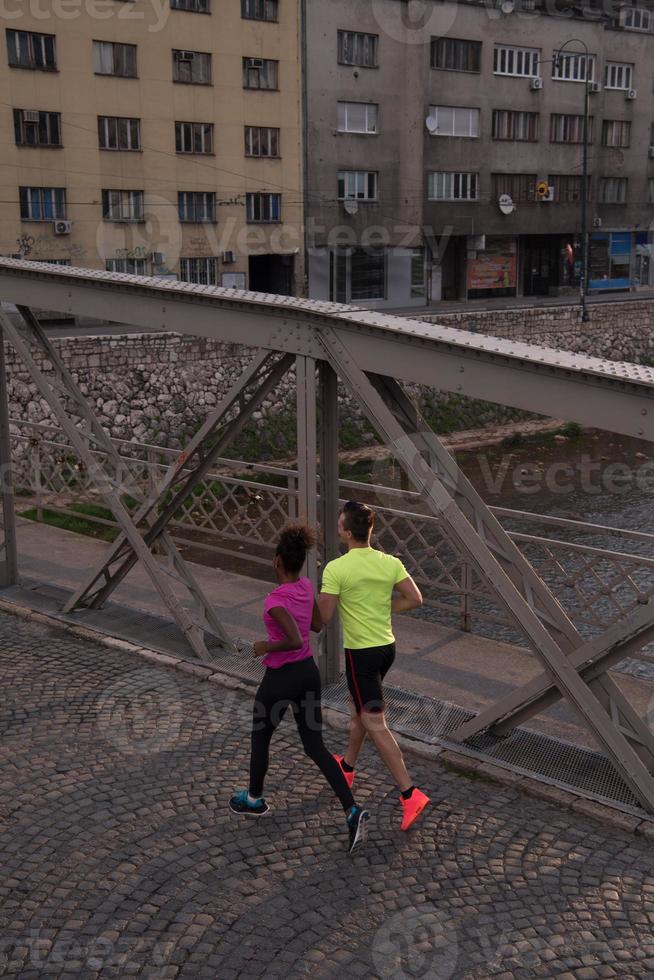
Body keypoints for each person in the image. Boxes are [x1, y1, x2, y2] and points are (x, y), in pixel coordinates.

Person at [229, 524, 370, 855]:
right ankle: (352, 810)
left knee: (261, 736)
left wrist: (263, 645)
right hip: (308, 673)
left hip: (281, 679)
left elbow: (291, 639)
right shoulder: (307, 587)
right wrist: (300, 614)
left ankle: (254, 799)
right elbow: (318, 625)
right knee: (316, 747)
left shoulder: (274, 601)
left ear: (278, 561)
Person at [318, 501, 430, 831]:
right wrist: (380, 607)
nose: (337, 528)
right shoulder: (390, 562)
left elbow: (324, 617)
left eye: (339, 525)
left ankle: (410, 793)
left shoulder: (336, 569)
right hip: (386, 649)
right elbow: (415, 599)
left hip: (361, 655)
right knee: (359, 710)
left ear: (347, 532)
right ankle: (347, 767)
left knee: (374, 721)